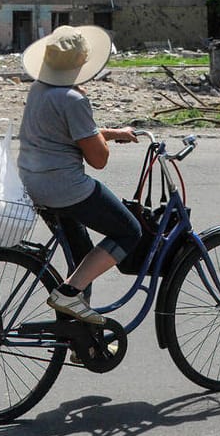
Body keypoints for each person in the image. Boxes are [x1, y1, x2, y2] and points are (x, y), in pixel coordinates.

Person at [17, 25, 141, 326]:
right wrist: (99, 129)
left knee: (82, 253)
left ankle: (79, 336)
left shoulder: (39, 89)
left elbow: (64, 135)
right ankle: (69, 293)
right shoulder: (73, 100)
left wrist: (113, 132)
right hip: (64, 188)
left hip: (33, 183)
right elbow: (98, 159)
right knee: (129, 231)